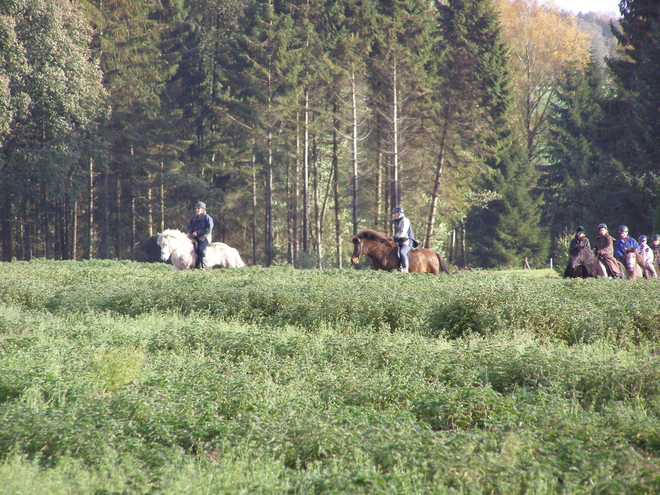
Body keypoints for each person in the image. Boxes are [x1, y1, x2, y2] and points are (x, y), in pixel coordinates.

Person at [185, 202, 214, 269]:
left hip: (205, 237)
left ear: (203, 210)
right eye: (196, 209)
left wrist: (198, 232)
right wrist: (188, 232)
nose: (197, 210)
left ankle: (202, 266)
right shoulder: (195, 217)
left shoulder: (207, 218)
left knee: (200, 249)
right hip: (196, 237)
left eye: (198, 208)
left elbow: (208, 229)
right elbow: (191, 226)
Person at [392, 206, 415, 273]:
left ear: (399, 213)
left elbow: (402, 232)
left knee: (402, 252)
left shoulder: (405, 220)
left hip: (407, 241)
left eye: (395, 213)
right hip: (401, 241)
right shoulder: (399, 221)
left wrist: (393, 237)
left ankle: (405, 268)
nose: (394, 215)